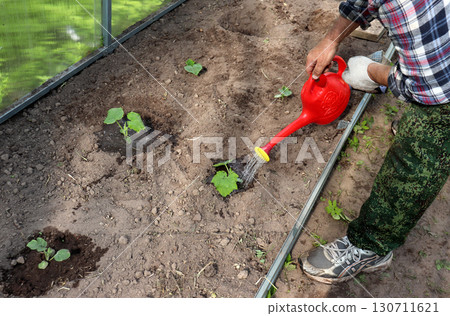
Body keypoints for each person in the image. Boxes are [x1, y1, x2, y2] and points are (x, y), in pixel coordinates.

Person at [300, 0, 450, 284]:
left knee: (419, 155)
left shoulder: (409, 9)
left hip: (438, 82)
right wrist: (330, 39)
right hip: (436, 59)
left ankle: (371, 247)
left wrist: (370, 72)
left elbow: (424, 87)